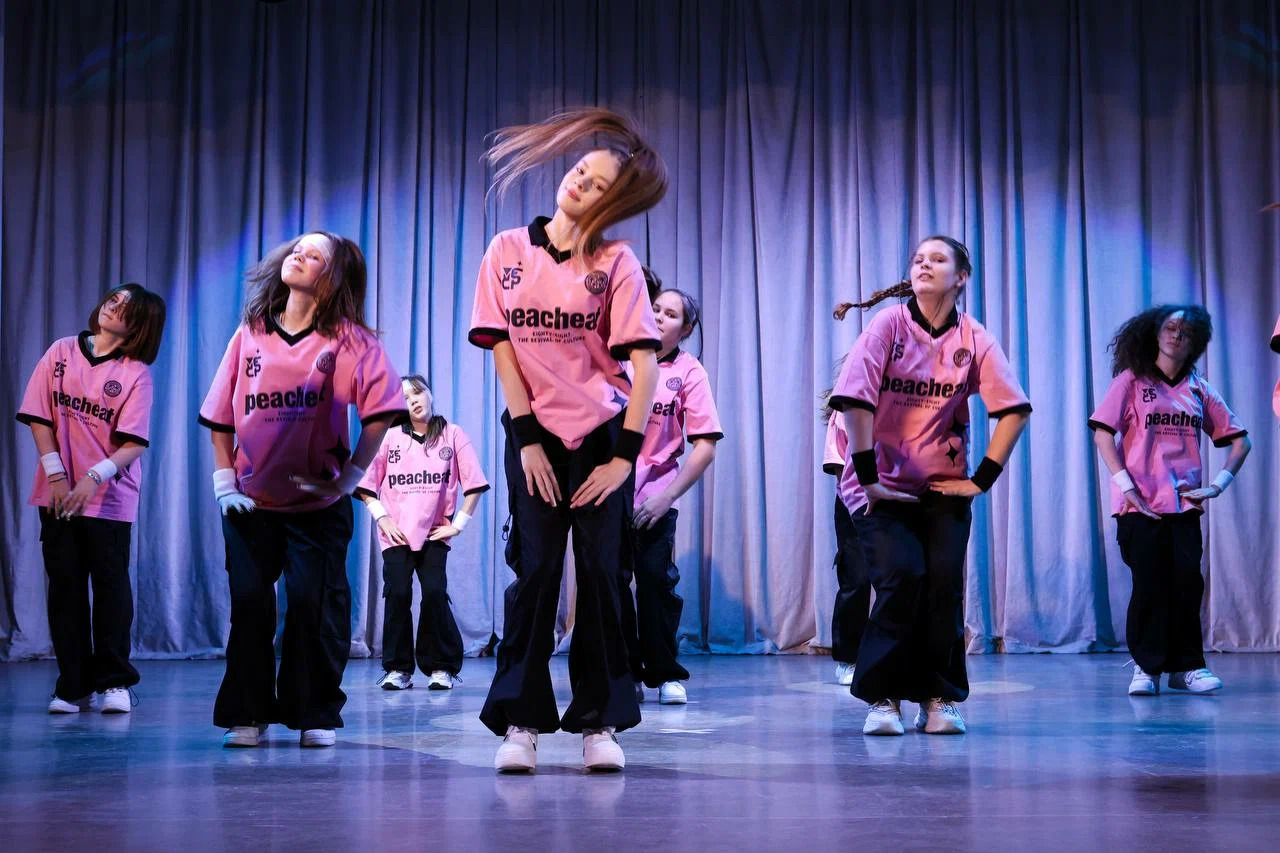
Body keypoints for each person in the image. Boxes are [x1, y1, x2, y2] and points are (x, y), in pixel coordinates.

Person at [468, 107, 667, 772]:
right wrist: (526, 440)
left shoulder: (617, 262)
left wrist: (623, 458)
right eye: (582, 169)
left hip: (602, 435)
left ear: (614, 203)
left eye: (598, 183)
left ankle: (599, 722)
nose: (580, 181)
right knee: (536, 573)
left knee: (605, 575)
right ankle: (521, 721)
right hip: (536, 434)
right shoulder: (507, 250)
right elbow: (503, 353)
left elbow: (645, 367)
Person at [198, 232, 406, 748]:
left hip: (317, 508)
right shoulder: (250, 333)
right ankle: (247, 713)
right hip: (251, 503)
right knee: (250, 604)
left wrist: (350, 478)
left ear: (332, 279)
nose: (299, 255)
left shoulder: (349, 341)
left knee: (312, 605)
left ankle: (314, 711)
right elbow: (220, 415)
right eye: (297, 248)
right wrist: (224, 484)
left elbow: (381, 412)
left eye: (315, 255)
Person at [829, 236, 1031, 736]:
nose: (924, 264)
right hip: (879, 486)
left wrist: (980, 481)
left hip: (942, 487)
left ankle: (939, 697)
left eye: (937, 259)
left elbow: (1013, 410)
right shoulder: (888, 325)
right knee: (901, 578)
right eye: (918, 258)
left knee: (943, 587)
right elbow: (854, 400)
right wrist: (869, 481)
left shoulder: (973, 337)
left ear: (960, 277)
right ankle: (882, 698)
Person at [17, 283, 166, 715]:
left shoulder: (135, 373)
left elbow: (133, 443)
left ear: (139, 326)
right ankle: (72, 685)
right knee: (65, 588)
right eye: (113, 299)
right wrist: (57, 475)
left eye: (125, 307)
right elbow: (39, 417)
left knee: (110, 588)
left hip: (109, 499)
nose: (112, 306)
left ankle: (114, 682)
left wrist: (93, 478)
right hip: (58, 494)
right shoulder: (62, 351)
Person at [1089, 305, 1249, 696]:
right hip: (1139, 507)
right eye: (1171, 327)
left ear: (1196, 342)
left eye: (1186, 331)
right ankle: (1147, 668)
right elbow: (1102, 434)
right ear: (1155, 333)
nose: (1177, 335)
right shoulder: (1131, 380)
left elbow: (1240, 442)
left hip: (1183, 507)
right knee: (1150, 585)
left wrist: (1217, 485)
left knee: (1187, 585)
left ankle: (1187, 667)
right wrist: (1126, 485)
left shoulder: (1199, 388)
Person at [355, 375, 489, 691]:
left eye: (418, 392)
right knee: (398, 593)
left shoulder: (453, 435)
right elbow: (365, 486)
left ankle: (441, 667)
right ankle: (398, 669)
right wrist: (383, 519)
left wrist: (457, 524)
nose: (413, 400)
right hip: (396, 535)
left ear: (429, 394)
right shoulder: (389, 438)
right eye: (405, 397)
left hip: (433, 534)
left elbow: (474, 484)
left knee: (434, 593)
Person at [623, 281, 722, 706]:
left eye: (671, 314)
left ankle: (664, 673)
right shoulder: (619, 357)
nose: (659, 317)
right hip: (608, 493)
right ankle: (624, 673)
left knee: (656, 585)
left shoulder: (689, 371)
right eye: (656, 308)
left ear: (686, 329)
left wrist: (667, 497)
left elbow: (706, 446)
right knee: (610, 586)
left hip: (655, 496)